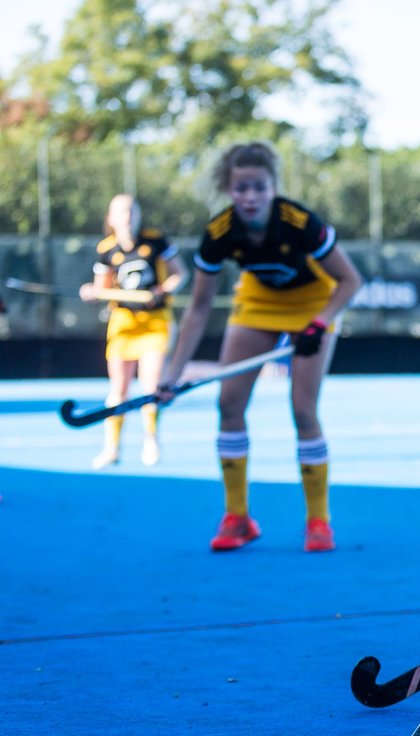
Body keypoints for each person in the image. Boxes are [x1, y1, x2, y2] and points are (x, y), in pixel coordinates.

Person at [158, 142, 363, 553]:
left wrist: (319, 324)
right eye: (241, 188)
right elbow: (198, 309)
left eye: (258, 187)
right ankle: (237, 518)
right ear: (228, 189)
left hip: (313, 304)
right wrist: (171, 373)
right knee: (229, 405)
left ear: (273, 187)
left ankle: (318, 520)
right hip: (258, 304)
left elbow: (350, 282)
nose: (250, 197)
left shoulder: (299, 221)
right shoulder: (219, 233)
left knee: (303, 410)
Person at [79, 194, 187, 469]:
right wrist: (92, 292)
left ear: (138, 214)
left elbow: (179, 275)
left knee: (150, 384)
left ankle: (151, 439)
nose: (127, 216)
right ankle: (111, 448)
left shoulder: (156, 241)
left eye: (131, 210)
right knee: (119, 388)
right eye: (121, 211)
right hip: (124, 322)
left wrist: (159, 291)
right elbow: (102, 288)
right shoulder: (106, 249)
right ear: (111, 218)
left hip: (155, 321)